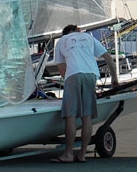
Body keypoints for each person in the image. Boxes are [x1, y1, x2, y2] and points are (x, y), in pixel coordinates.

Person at [51, 24, 118, 163]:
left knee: (70, 116)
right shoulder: (88, 37)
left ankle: (68, 154)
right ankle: (82, 154)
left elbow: (62, 68)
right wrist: (114, 79)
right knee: (86, 116)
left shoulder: (62, 41)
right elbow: (108, 58)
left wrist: (68, 82)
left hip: (74, 74)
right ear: (77, 30)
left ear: (65, 33)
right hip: (91, 74)